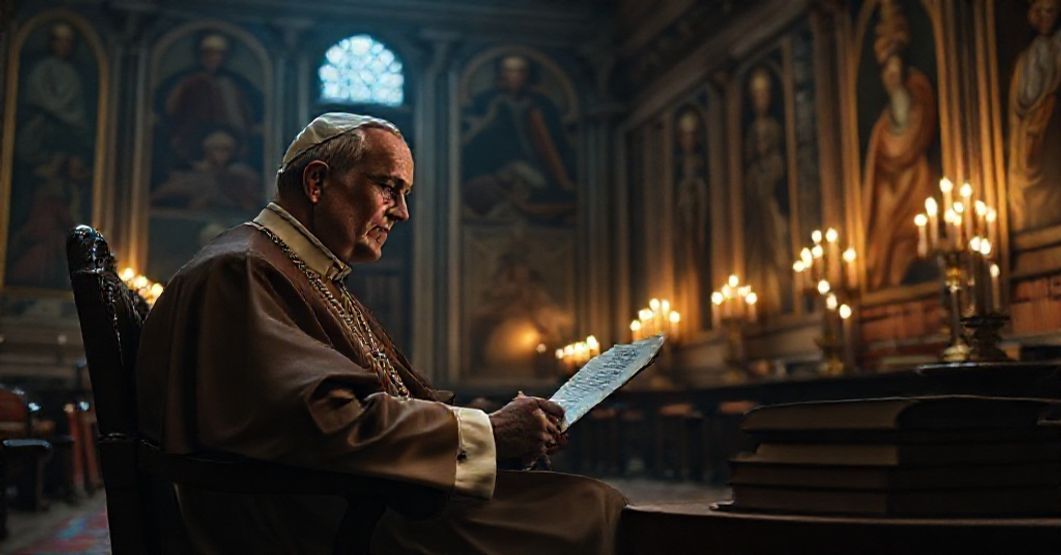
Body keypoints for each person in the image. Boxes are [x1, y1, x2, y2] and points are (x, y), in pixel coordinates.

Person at [136, 113, 626, 554]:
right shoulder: (241, 269)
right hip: (322, 523)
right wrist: (488, 433)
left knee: (582, 500)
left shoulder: (305, 272)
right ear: (317, 182)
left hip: (357, 499)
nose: (402, 211)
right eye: (389, 187)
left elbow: (387, 397)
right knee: (589, 509)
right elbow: (322, 423)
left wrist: (496, 425)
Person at [861, 0, 937, 290]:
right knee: (885, 243)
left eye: (894, 65)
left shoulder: (919, 96)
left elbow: (914, 135)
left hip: (916, 185)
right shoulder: (882, 126)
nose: (890, 74)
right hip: (890, 196)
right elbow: (880, 162)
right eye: (885, 69)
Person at [1007, 0, 1061, 231]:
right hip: (1031, 132)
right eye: (1040, 11)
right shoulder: (1028, 57)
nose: (1044, 17)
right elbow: (1021, 100)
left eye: (1050, 11)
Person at [742, 68, 792, 316]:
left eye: (764, 95)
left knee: (779, 252)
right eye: (756, 96)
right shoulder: (751, 173)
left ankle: (781, 297)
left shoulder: (777, 160)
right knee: (757, 259)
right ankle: (765, 301)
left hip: (773, 211)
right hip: (757, 220)